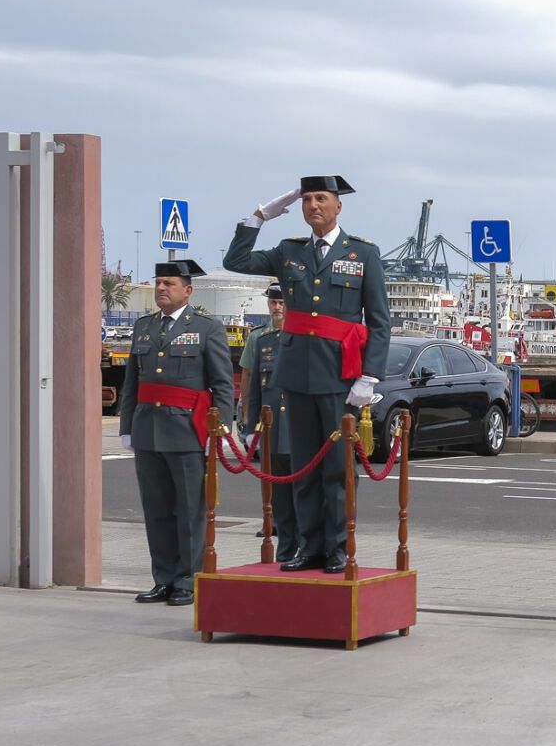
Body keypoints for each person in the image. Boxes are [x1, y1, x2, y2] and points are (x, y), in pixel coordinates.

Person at [223, 176, 390, 573]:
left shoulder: (363, 254)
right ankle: (308, 547)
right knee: (303, 466)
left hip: (338, 376)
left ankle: (336, 548)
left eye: (321, 199)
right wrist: (259, 217)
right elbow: (236, 262)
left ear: (338, 206)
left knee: (336, 467)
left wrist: (369, 376)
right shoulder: (289, 251)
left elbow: (379, 321)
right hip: (295, 373)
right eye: (307, 199)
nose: (313, 205)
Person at [116, 261, 234, 606]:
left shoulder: (207, 328)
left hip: (186, 431)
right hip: (147, 429)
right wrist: (127, 427)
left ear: (188, 290)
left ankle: (188, 580)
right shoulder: (144, 327)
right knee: (156, 510)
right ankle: (163, 579)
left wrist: (219, 429)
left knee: (189, 510)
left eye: (168, 283)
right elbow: (131, 383)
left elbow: (222, 384)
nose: (161, 288)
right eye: (158, 283)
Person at [240, 284, 302, 565]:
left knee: (303, 494)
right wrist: (250, 426)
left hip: (301, 431)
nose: (277, 308)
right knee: (280, 498)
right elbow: (254, 387)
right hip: (273, 432)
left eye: (282, 302)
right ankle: (286, 550)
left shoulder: (306, 339)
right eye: (273, 303)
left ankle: (307, 548)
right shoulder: (264, 341)